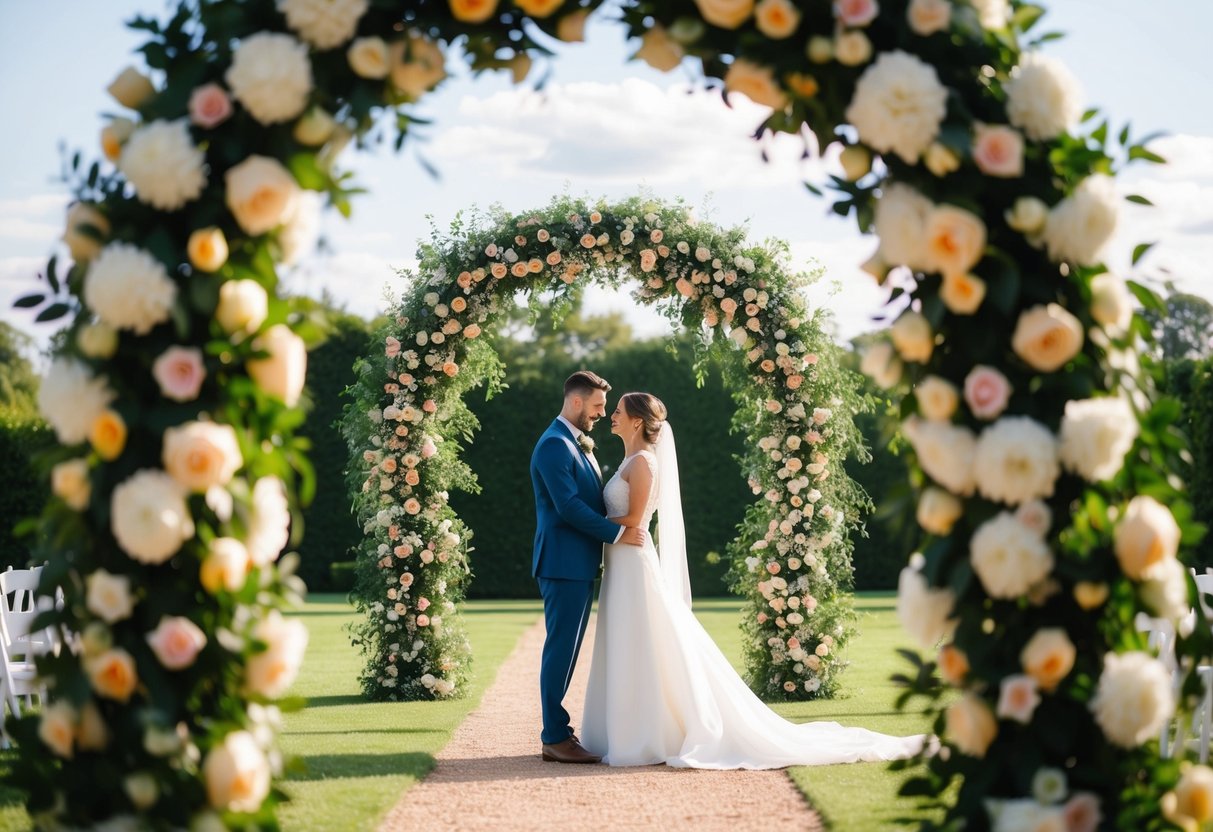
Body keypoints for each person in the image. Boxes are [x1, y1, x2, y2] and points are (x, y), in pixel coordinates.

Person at [581, 391, 927, 768]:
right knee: (629, 641)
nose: (610, 415)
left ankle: (648, 735)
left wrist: (585, 522)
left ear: (636, 420)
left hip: (634, 563)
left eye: (617, 411)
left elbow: (635, 521)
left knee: (644, 640)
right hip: (622, 564)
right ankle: (630, 729)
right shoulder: (628, 460)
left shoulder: (644, 463)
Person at [529, 370, 648, 764]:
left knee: (568, 649)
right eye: (597, 406)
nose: (601, 414)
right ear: (576, 402)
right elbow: (567, 508)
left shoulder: (576, 443)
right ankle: (554, 736)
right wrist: (617, 535)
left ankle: (558, 732)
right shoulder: (553, 446)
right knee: (560, 650)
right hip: (562, 562)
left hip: (579, 563)